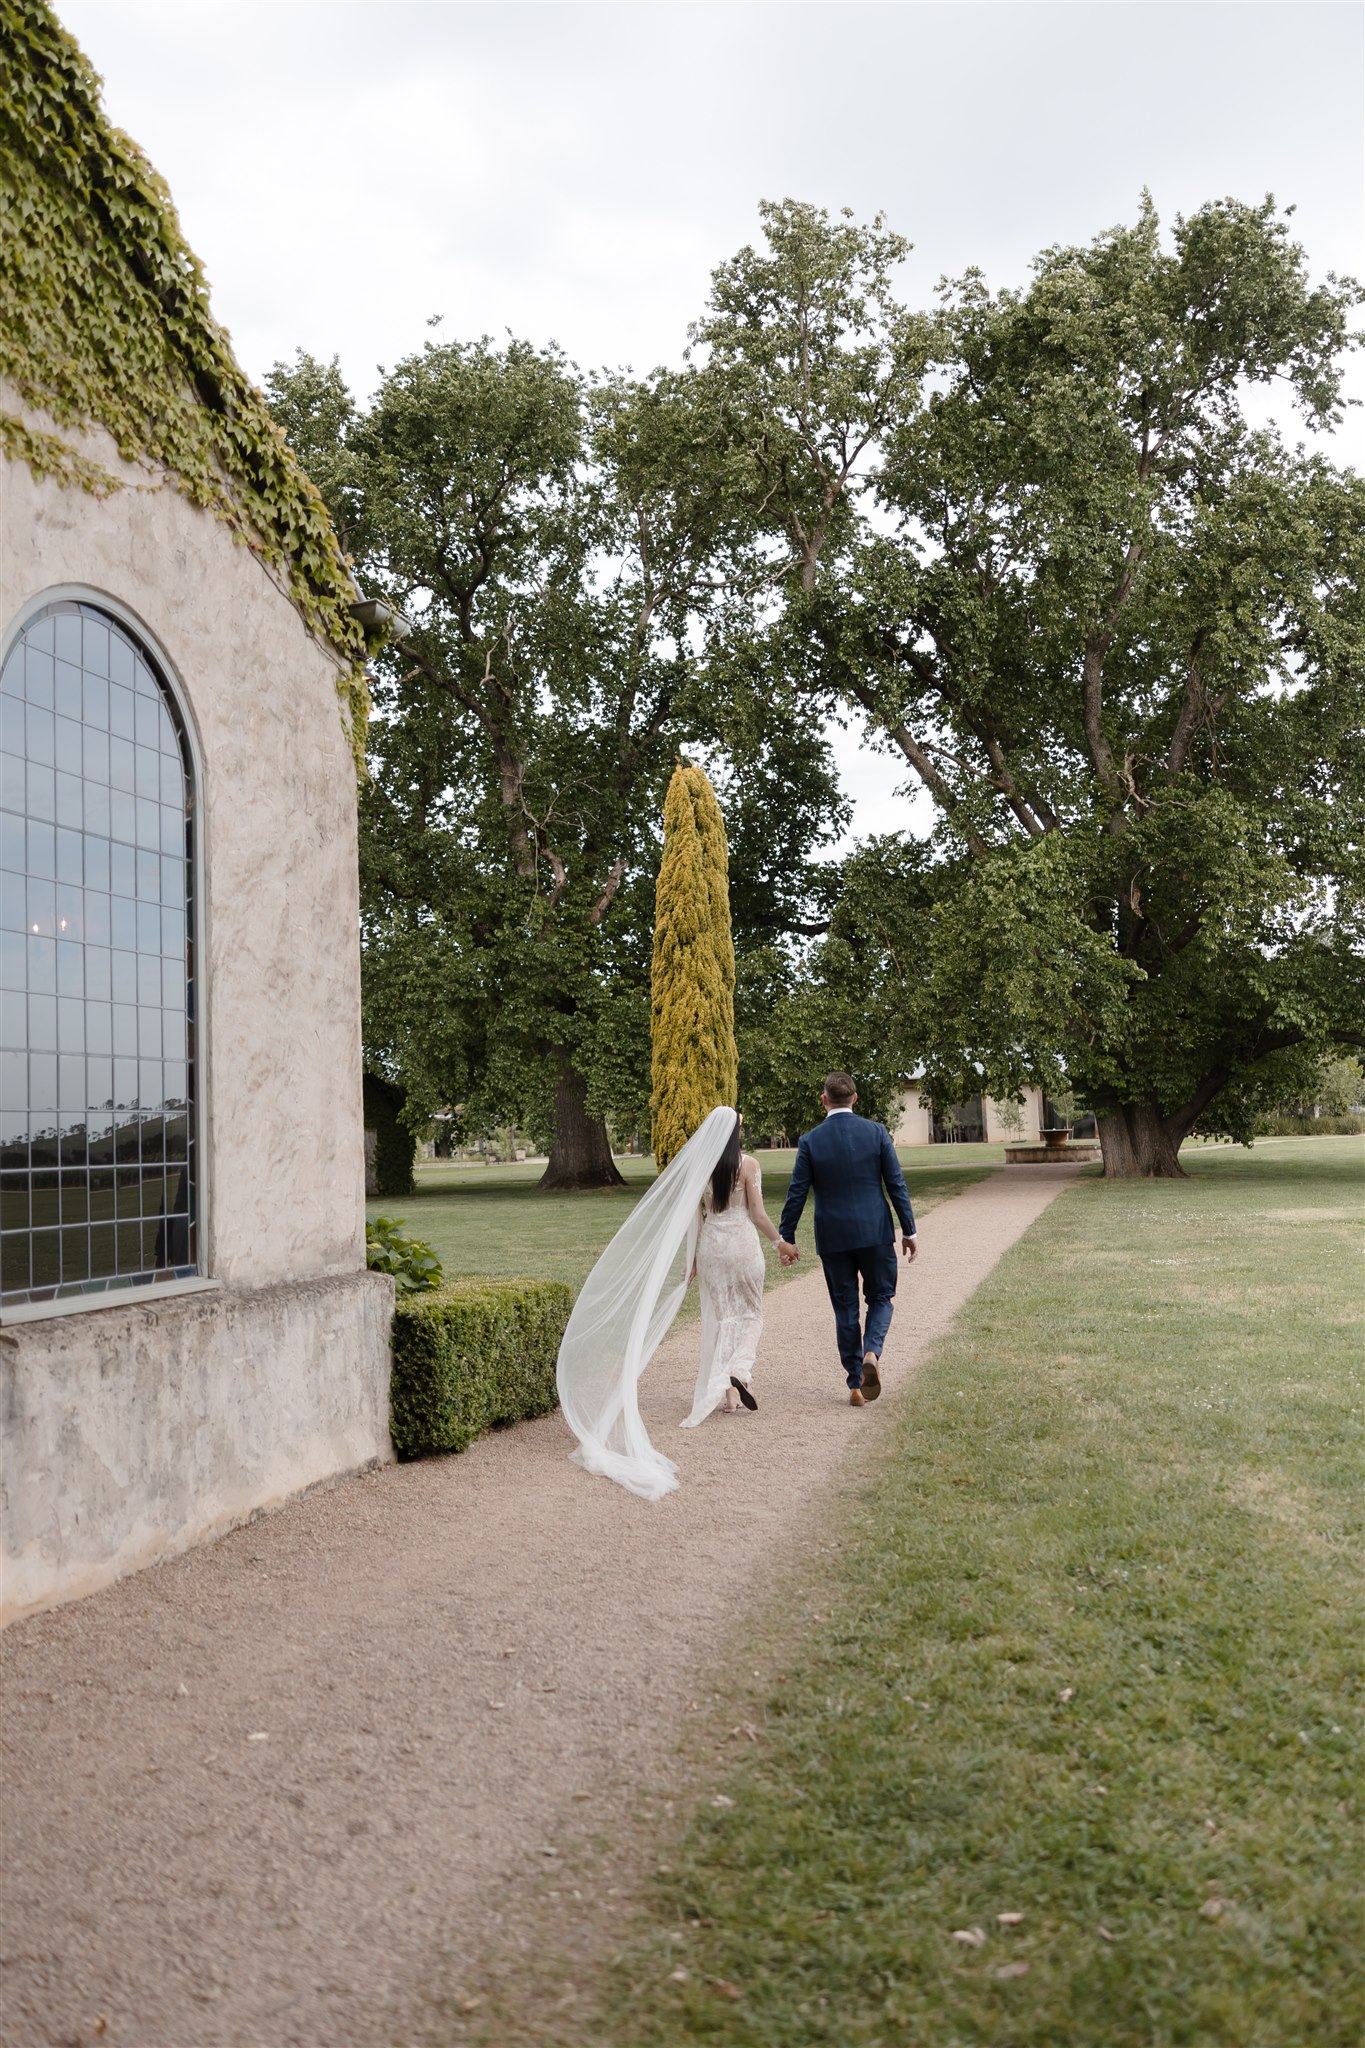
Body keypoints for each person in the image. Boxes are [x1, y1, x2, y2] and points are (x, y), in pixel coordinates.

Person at [777, 1071, 918, 1406]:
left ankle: (855, 1383)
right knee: (881, 1297)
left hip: (833, 1235)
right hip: (874, 1232)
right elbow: (896, 1184)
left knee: (845, 1309)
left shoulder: (811, 1140)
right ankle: (872, 1352)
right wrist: (909, 1230)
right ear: (855, 1098)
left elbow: (797, 1192)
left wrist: (787, 1235)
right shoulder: (876, 1132)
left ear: (824, 1100)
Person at [681, 1111, 782, 1427]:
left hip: (712, 1246)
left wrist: (693, 1261)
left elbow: (695, 1219)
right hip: (742, 1245)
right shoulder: (748, 1165)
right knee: (752, 1314)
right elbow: (758, 1214)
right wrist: (780, 1243)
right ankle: (739, 1371)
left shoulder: (702, 1168)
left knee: (724, 1317)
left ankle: (729, 1397)